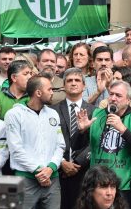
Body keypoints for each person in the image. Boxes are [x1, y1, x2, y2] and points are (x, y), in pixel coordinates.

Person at [77, 80, 131, 208]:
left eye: (118, 95)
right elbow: (77, 147)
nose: (113, 98)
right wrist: (81, 131)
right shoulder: (96, 113)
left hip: (123, 185)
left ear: (128, 100)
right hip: (96, 185)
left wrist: (123, 129)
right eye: (111, 94)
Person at [5, 74, 65, 209]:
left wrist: (50, 168)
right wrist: (39, 171)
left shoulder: (53, 114)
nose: (52, 93)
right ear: (38, 93)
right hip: (26, 180)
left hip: (52, 180)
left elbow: (60, 145)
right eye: (49, 89)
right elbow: (16, 150)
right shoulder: (14, 114)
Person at [51, 68, 96, 209]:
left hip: (84, 171)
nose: (73, 83)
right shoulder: (52, 110)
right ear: (64, 86)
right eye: (69, 80)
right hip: (59, 171)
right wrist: (62, 162)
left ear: (84, 85)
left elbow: (96, 140)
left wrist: (77, 163)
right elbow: (48, 140)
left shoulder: (95, 111)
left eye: (77, 80)